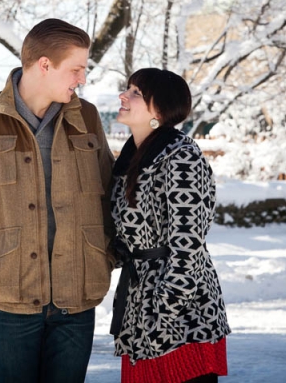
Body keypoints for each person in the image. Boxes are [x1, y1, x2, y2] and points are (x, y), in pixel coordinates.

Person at [0, 19, 115, 383]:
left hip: (76, 298)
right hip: (8, 298)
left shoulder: (88, 117)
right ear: (44, 65)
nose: (82, 79)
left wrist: (104, 255)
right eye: (76, 69)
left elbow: (110, 193)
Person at [109, 68, 230, 383]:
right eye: (128, 88)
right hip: (139, 309)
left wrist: (165, 310)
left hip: (184, 317)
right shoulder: (131, 159)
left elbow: (188, 244)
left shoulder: (181, 157)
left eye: (136, 92)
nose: (124, 95)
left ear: (159, 111)